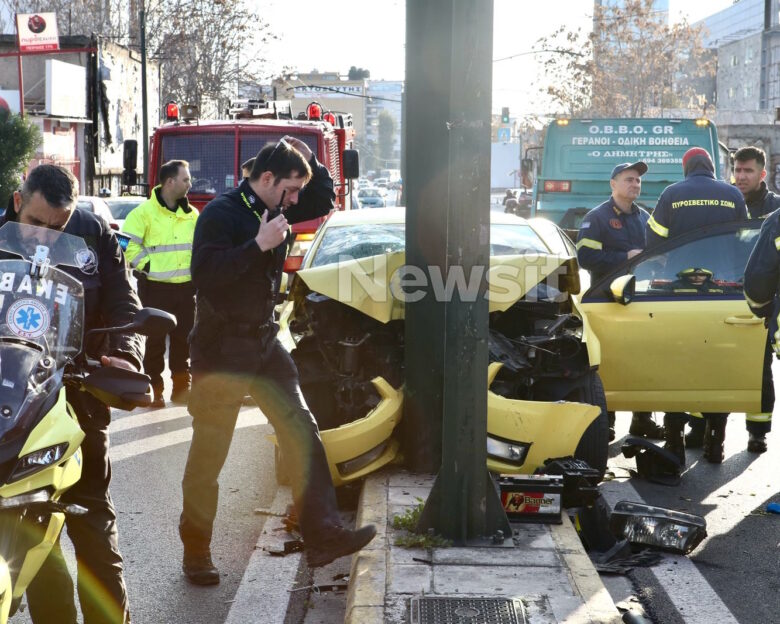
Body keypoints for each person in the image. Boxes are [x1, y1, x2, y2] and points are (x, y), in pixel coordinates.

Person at [179, 136, 376, 585]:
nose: (294, 200)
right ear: (266, 179)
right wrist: (258, 246)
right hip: (220, 350)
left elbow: (321, 196)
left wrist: (304, 155)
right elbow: (206, 279)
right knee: (209, 456)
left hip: (265, 343)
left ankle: (323, 535)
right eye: (289, 190)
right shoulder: (222, 214)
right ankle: (196, 552)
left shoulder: (277, 205)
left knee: (302, 431)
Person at [4, 164, 143, 623]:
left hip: (75, 401)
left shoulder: (95, 233)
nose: (45, 237)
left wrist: (124, 351)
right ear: (19, 200)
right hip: (7, 404)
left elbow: (125, 301)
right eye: (37, 224)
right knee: (22, 531)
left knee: (91, 523)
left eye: (57, 227)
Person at [647, 147, 748, 465]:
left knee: (676, 366)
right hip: (723, 289)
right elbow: (744, 238)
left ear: (686, 167)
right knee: (719, 367)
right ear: (711, 166)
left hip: (679, 292)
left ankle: (674, 442)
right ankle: (715, 444)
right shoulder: (732, 194)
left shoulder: (672, 194)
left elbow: (653, 241)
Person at [576, 161, 663, 441]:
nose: (635, 184)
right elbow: (585, 258)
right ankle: (607, 421)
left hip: (639, 300)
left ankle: (642, 420)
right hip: (605, 302)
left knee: (643, 360)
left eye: (638, 180)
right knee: (607, 363)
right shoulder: (597, 218)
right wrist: (624, 258)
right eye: (629, 179)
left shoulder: (644, 218)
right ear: (613, 184)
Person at [123, 160, 198, 407]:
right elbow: (126, 245)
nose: (190, 183)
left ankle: (181, 388)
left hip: (186, 289)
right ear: (170, 182)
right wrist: (149, 267)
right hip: (156, 289)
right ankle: (155, 388)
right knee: (154, 341)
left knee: (183, 340)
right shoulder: (143, 213)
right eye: (185, 179)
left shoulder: (192, 215)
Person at [734, 146, 779, 454]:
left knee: (760, 367)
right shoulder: (727, 204)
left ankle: (758, 432)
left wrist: (764, 307)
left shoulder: (774, 208)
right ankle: (703, 428)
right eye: (737, 170)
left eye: (747, 171)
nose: (740, 176)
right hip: (725, 294)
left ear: (762, 174)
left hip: (762, 300)